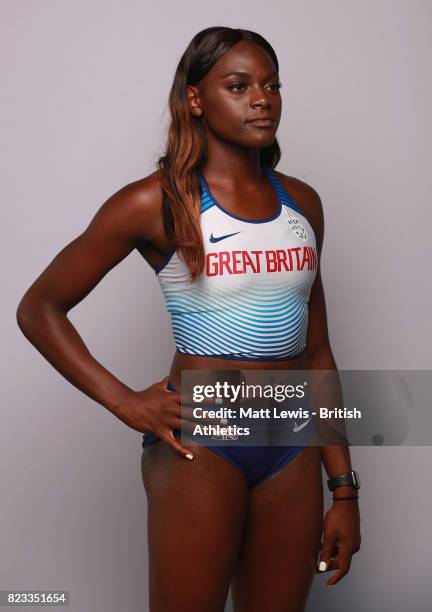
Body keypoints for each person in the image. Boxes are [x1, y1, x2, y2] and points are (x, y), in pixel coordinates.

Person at [16, 26, 361, 612]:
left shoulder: (303, 203)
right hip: (203, 444)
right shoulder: (157, 201)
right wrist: (124, 401)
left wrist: (345, 489)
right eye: (239, 85)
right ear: (196, 99)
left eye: (272, 85)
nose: (262, 98)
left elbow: (319, 353)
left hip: (291, 442)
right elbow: (39, 308)